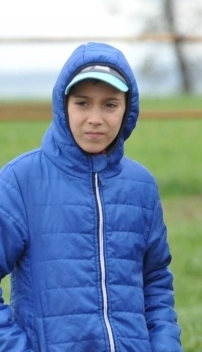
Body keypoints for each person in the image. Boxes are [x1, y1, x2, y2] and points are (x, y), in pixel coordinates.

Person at [0, 42, 182, 350]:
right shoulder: (20, 180)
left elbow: (156, 281)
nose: (95, 118)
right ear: (63, 105)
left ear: (128, 108)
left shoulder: (141, 185)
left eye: (110, 104)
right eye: (82, 103)